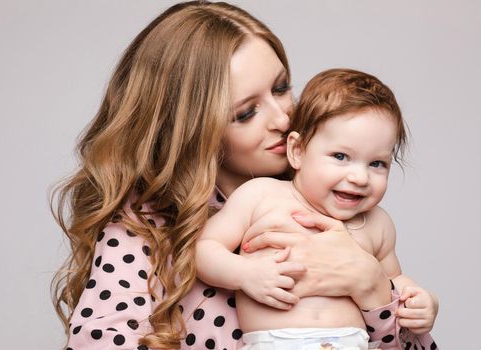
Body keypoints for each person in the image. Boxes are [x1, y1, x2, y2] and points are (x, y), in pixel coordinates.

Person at [52, 2, 425, 349]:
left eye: (281, 88)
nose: (282, 119)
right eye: (246, 113)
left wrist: (372, 286)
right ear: (191, 129)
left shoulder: (329, 198)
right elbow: (97, 340)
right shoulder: (145, 225)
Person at [196, 68, 439, 349]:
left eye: (376, 164)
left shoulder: (377, 224)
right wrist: (244, 274)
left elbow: (393, 280)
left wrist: (423, 300)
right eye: (340, 156)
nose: (359, 177)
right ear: (297, 151)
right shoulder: (260, 195)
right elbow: (204, 248)